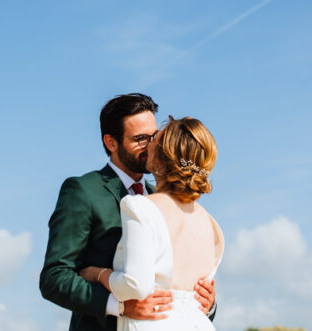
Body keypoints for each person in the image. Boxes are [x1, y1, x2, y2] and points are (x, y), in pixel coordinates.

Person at [40, 94, 216, 331]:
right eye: (140, 139)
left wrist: (208, 303)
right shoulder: (83, 191)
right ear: (111, 142)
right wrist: (117, 305)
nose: (152, 145)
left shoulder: (169, 201)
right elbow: (54, 277)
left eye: (154, 136)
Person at [77, 116, 223, 331]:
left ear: (164, 156)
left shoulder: (142, 207)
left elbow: (135, 286)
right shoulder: (211, 224)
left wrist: (98, 274)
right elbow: (198, 295)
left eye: (155, 138)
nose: (148, 144)